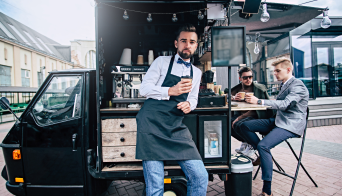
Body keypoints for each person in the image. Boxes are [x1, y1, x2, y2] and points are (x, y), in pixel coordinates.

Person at [136, 24, 208, 196]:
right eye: (183, 41)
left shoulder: (196, 72)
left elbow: (193, 98)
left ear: (196, 45)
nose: (187, 45)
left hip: (175, 126)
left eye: (192, 42)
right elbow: (143, 89)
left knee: (200, 176)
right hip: (151, 125)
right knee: (156, 185)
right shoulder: (161, 62)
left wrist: (189, 105)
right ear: (176, 43)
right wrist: (169, 91)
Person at [240, 57, 309, 196]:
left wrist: (259, 101)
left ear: (288, 70)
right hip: (278, 120)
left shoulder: (298, 85)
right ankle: (263, 155)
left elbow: (285, 104)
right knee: (244, 125)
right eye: (274, 71)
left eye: (278, 71)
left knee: (264, 146)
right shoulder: (285, 84)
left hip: (290, 125)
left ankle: (267, 191)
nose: (275, 74)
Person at [231, 67, 274, 159]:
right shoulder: (239, 88)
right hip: (242, 114)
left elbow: (258, 110)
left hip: (256, 115)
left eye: (250, 77)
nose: (248, 80)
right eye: (245, 78)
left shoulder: (258, 89)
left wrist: (240, 118)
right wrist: (234, 97)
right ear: (240, 79)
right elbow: (228, 94)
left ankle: (256, 148)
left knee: (239, 124)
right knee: (227, 123)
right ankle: (247, 141)